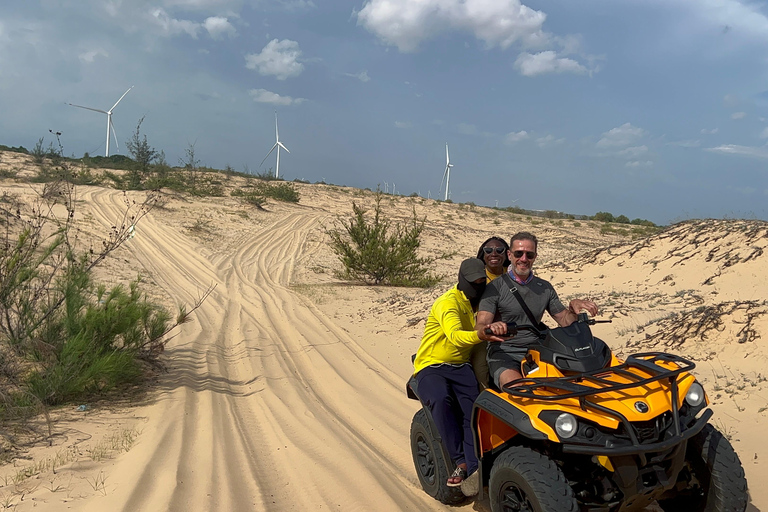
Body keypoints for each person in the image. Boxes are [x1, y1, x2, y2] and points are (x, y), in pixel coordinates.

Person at [413, 258, 506, 491]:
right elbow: (455, 336)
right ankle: (460, 460)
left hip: (460, 365)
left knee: (474, 411)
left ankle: (474, 466)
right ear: (462, 281)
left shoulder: (478, 301)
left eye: (481, 282)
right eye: (473, 283)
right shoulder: (448, 303)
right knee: (440, 399)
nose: (478, 286)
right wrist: (481, 334)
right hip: (432, 365)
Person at [476, 232, 599, 389]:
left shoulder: (544, 287)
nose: (524, 259)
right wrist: (491, 328)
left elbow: (564, 320)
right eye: (519, 253)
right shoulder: (494, 288)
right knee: (517, 389)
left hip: (539, 350)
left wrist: (573, 308)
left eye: (529, 254)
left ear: (535, 256)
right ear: (510, 255)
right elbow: (480, 325)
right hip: (504, 353)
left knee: (569, 386)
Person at [469, 236, 512, 388]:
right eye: (488, 250)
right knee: (482, 374)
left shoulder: (513, 277)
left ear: (507, 254)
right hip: (482, 333)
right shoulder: (477, 278)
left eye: (499, 250)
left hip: (510, 331)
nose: (494, 253)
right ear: (483, 254)